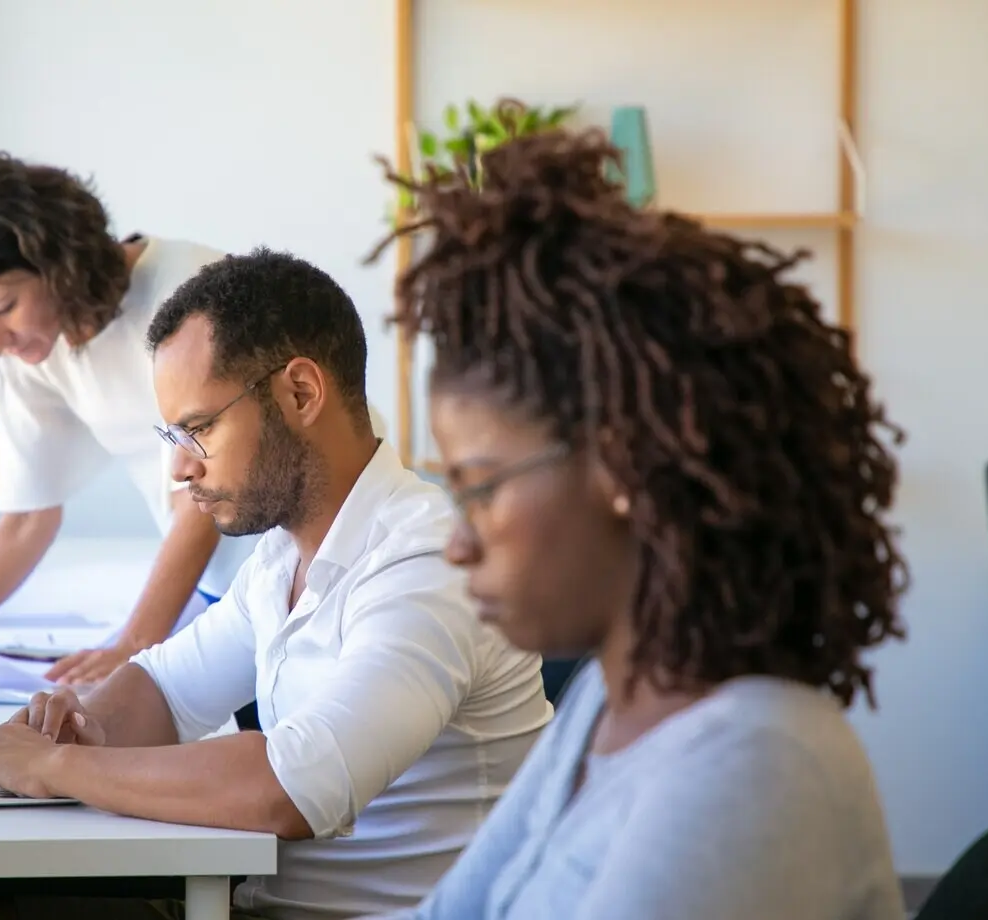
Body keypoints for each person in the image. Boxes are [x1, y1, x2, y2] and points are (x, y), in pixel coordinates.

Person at [368, 128, 909, 919]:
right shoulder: (603, 702)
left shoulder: (755, 761)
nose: (458, 541)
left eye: (480, 488)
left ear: (621, 468)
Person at [0, 248, 552, 919]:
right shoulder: (283, 555)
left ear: (301, 393)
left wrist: (54, 770)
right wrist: (72, 730)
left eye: (198, 429)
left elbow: (288, 789)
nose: (179, 469)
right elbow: (165, 688)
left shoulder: (427, 565)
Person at [0, 152, 262, 685]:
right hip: (226, 583)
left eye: (1, 309)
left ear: (56, 262)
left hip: (315, 557)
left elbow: (204, 493)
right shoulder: (36, 350)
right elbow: (27, 517)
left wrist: (135, 643)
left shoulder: (189, 294)